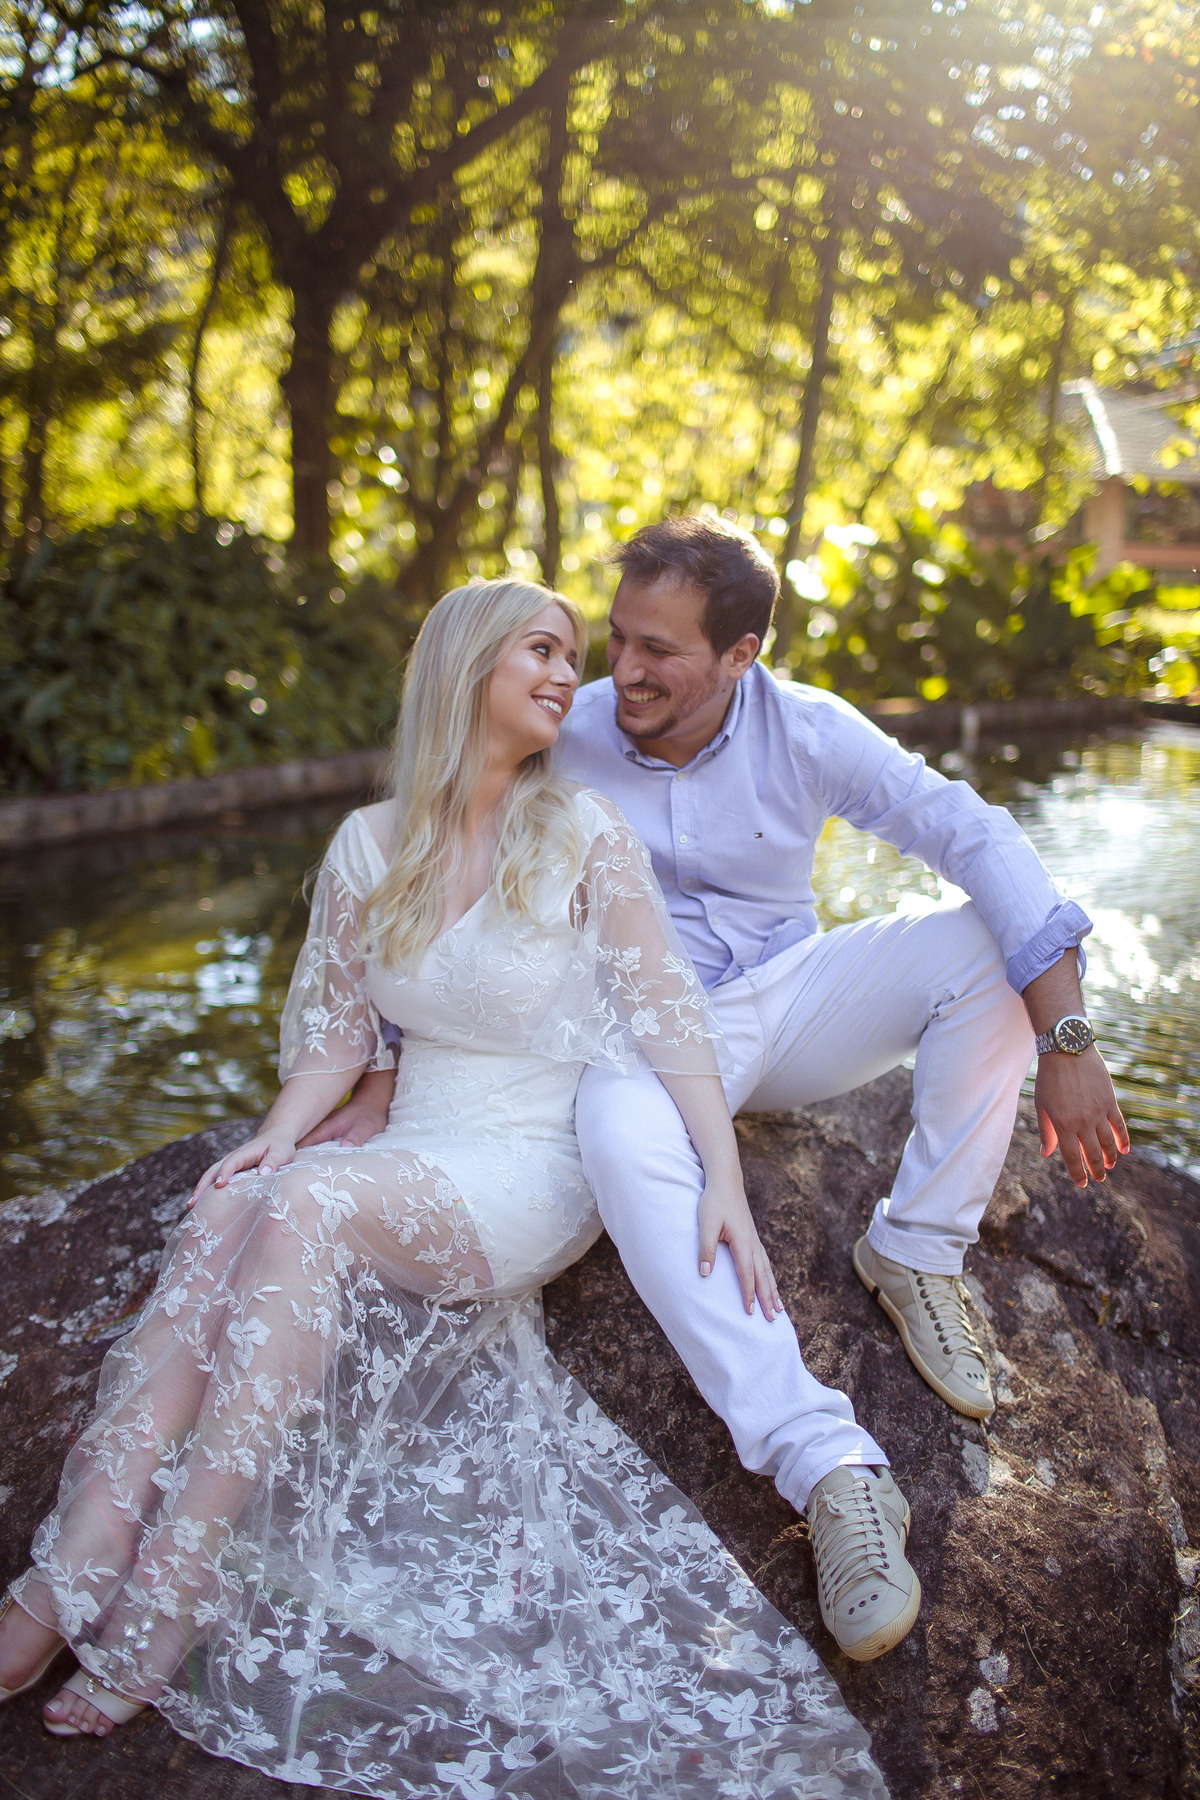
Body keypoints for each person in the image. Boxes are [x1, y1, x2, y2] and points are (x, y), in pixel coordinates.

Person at [0, 579, 891, 1799]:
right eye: (544, 650)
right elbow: (334, 1036)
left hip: (529, 1163)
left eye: (571, 656)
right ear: (467, 666)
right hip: (415, 1143)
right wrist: (275, 1138)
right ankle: (70, 1572)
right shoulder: (369, 844)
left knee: (306, 1205)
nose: (569, 676)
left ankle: (170, 1598)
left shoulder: (582, 832)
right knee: (230, 1204)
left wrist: (721, 1176)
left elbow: (668, 1016)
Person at [315, 515, 1129, 1662]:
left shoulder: (806, 729)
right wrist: (383, 1063)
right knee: (613, 1135)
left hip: (787, 999)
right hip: (637, 1035)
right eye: (616, 639)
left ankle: (918, 1247)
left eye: (659, 650)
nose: (622, 671)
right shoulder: (564, 728)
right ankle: (829, 1464)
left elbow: (972, 831)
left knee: (987, 952)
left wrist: (1068, 1035)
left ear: (742, 655)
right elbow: (430, 857)